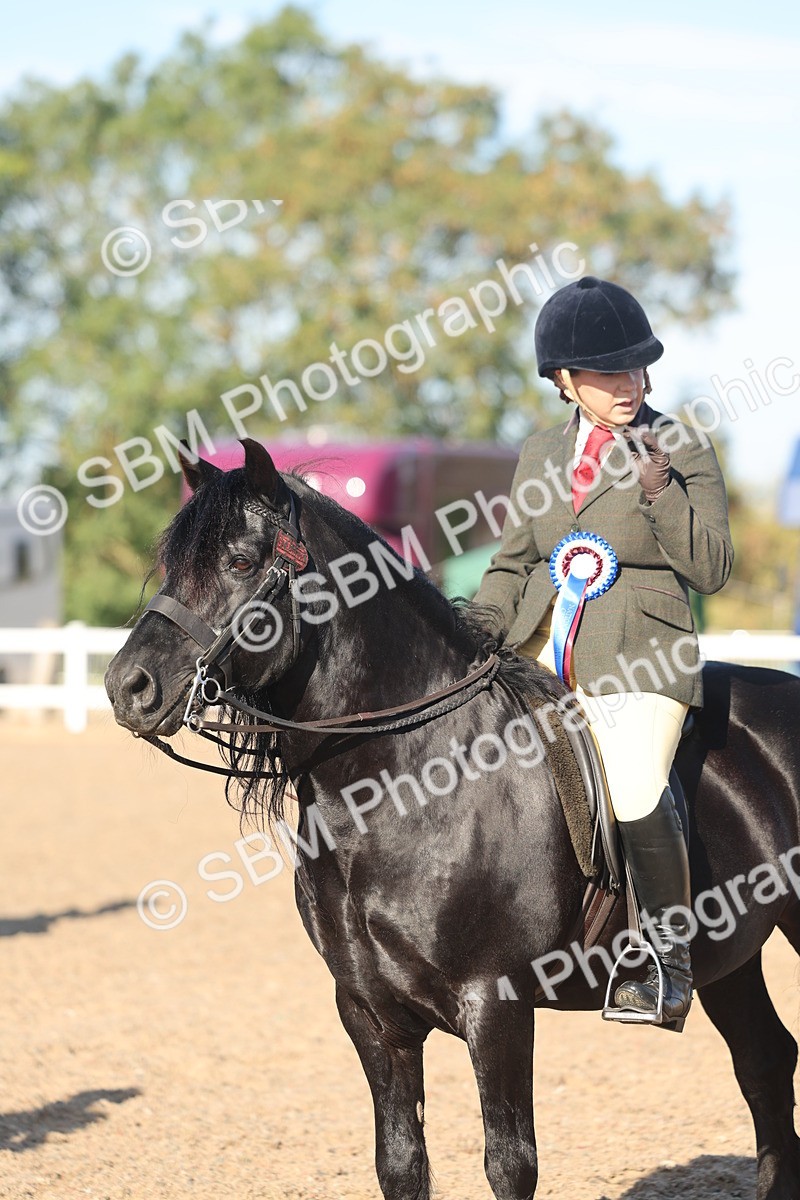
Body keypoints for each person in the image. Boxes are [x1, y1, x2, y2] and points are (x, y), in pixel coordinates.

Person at [473, 275, 733, 1031]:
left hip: (641, 659)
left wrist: (661, 494)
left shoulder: (680, 446)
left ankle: (666, 962)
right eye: (610, 372)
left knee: (629, 781)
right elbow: (516, 561)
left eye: (638, 368)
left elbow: (712, 567)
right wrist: (477, 629)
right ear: (564, 380)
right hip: (542, 657)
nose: (632, 384)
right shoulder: (540, 453)